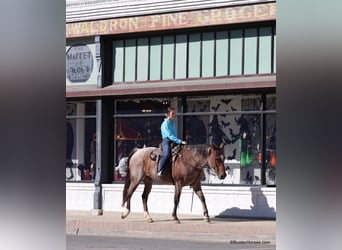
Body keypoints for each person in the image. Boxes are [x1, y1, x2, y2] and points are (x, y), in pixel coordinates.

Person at [158, 107, 187, 176]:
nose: (174, 115)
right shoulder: (165, 124)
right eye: (173, 113)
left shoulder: (172, 123)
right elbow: (169, 135)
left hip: (173, 141)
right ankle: (160, 170)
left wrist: (177, 141)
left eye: (174, 113)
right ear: (168, 114)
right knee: (167, 154)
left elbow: (173, 135)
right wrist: (179, 141)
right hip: (166, 141)